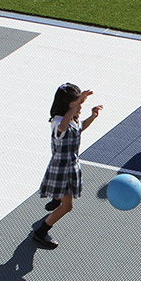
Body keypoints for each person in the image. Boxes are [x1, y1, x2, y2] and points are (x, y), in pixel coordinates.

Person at [33, 83, 102, 249]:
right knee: (68, 207)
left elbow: (79, 128)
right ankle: (41, 232)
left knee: (62, 196)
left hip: (70, 165)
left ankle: (56, 198)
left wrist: (92, 116)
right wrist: (78, 104)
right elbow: (63, 128)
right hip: (61, 169)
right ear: (68, 104)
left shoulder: (73, 120)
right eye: (77, 104)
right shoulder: (58, 122)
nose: (79, 108)